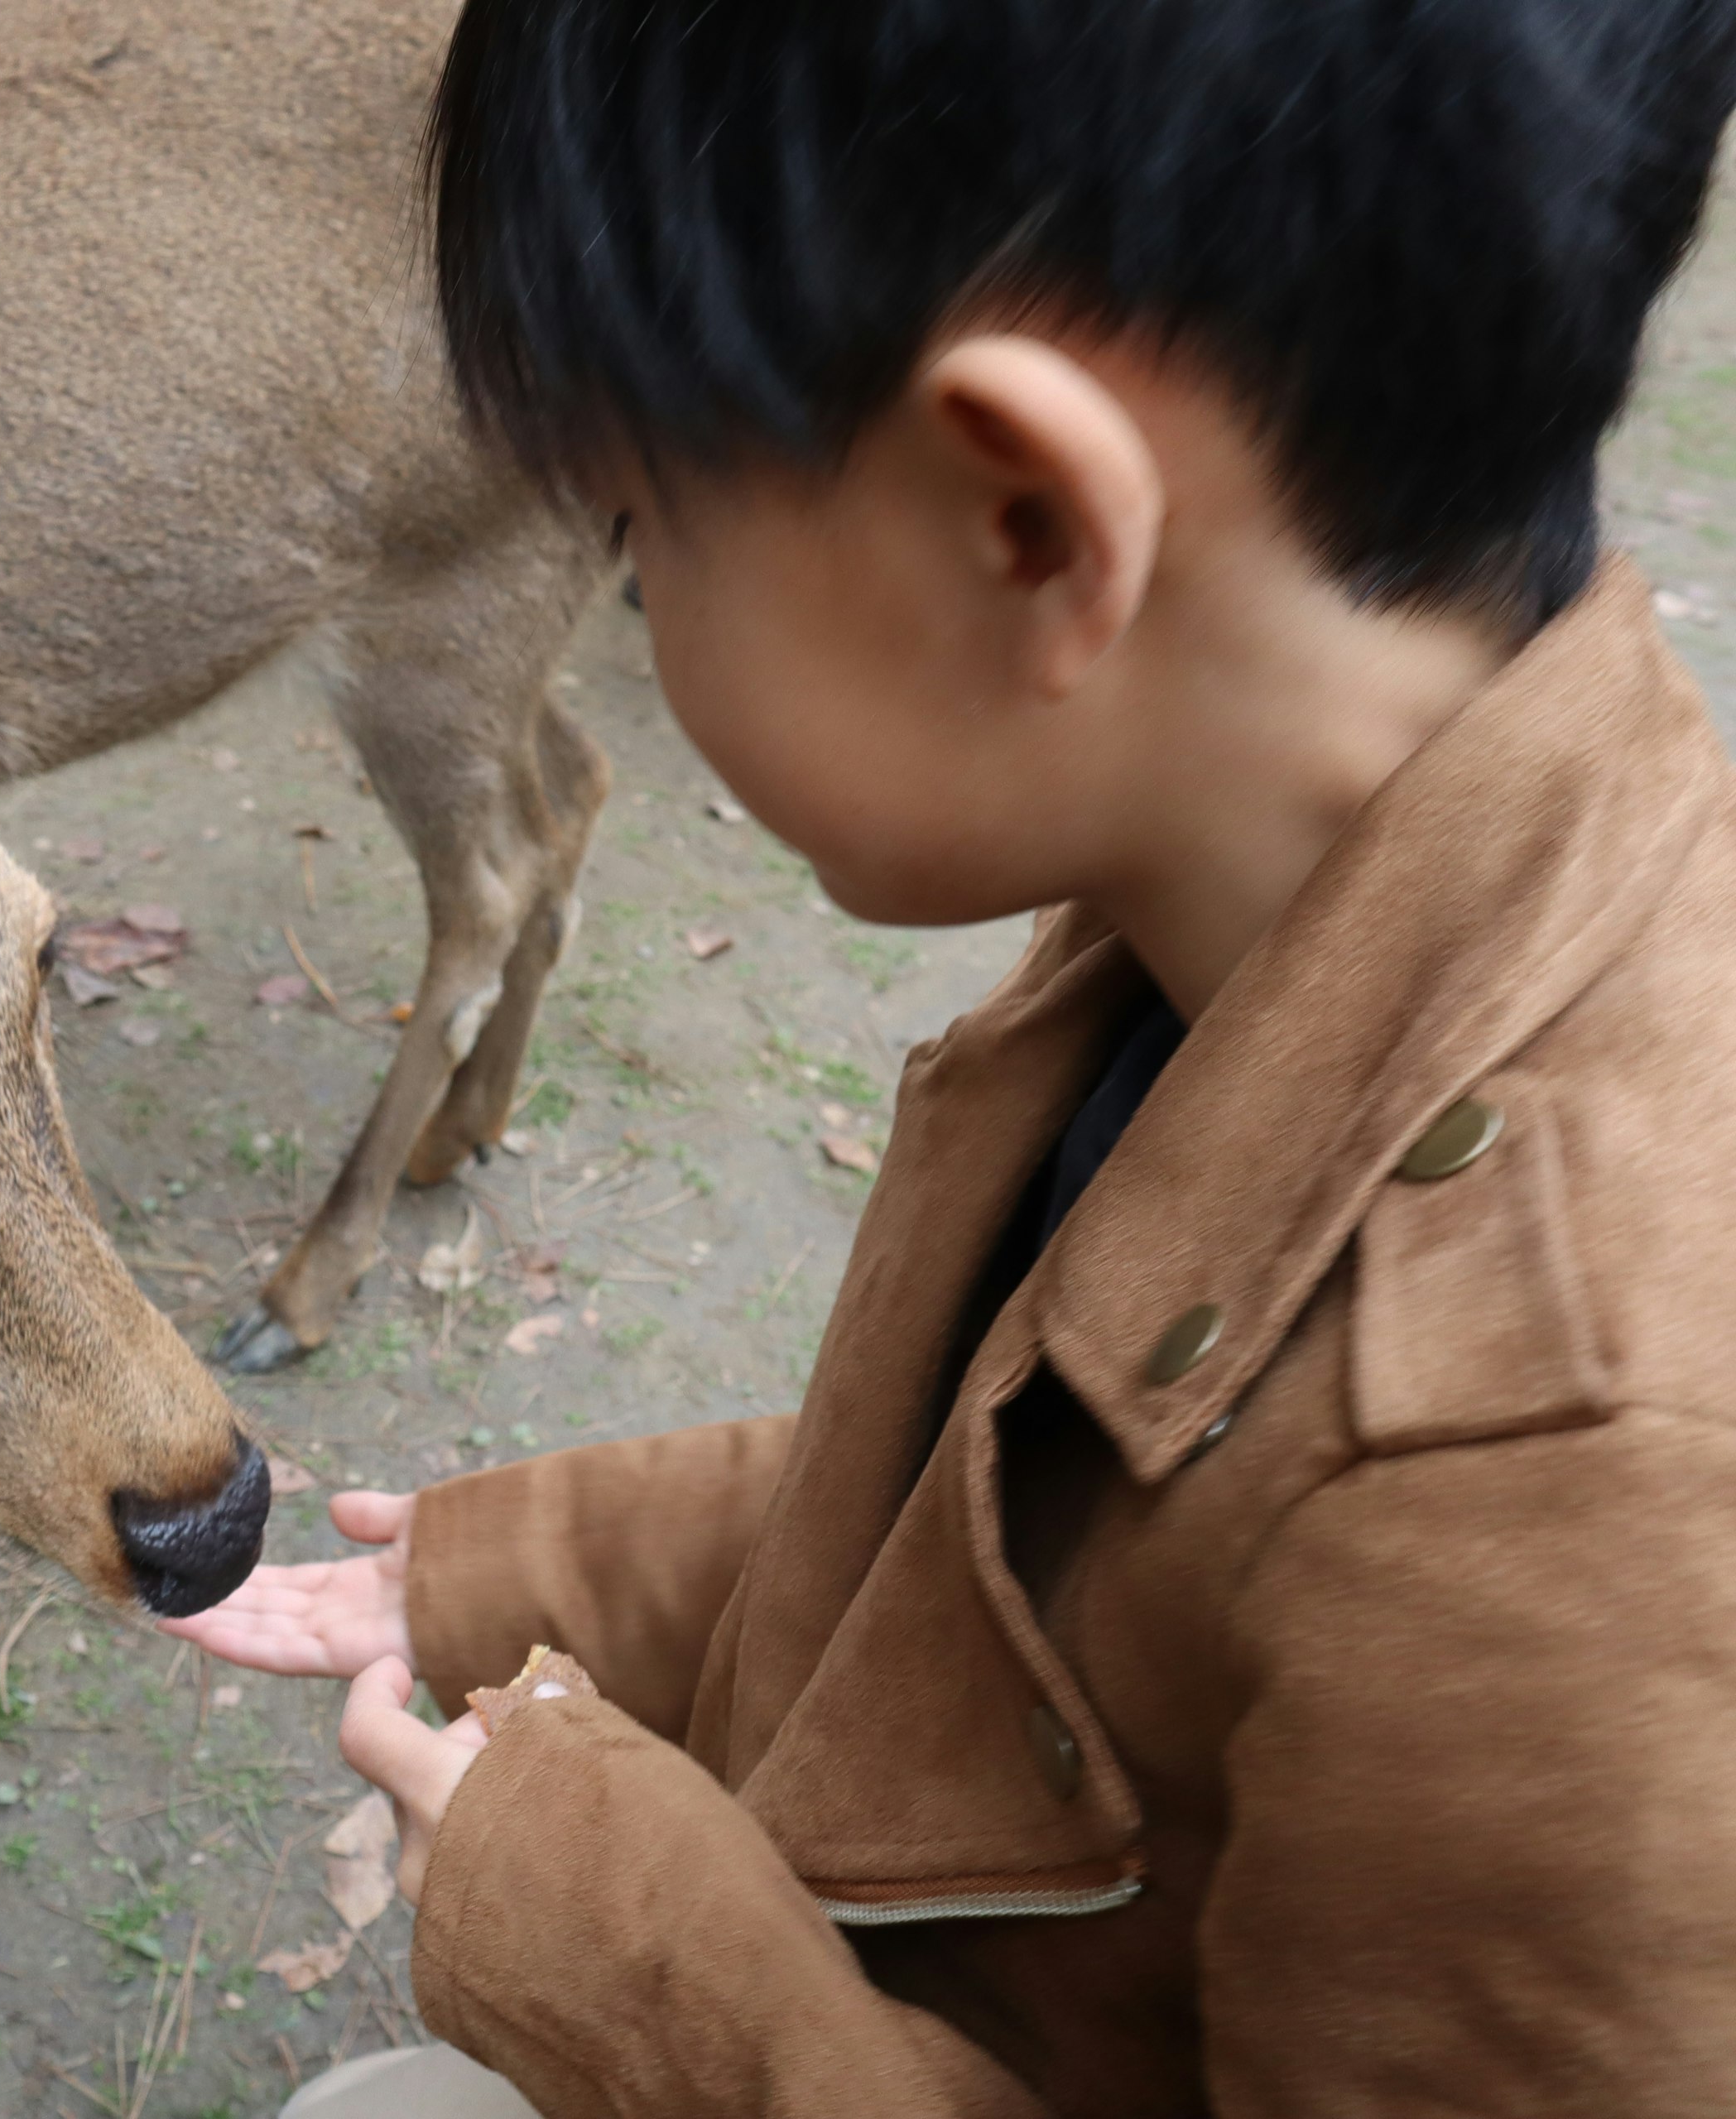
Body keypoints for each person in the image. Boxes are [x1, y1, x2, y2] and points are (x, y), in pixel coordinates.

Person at [169, 2, 1736, 2112]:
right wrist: (507, 1571)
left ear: (1025, 527)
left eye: (641, 535)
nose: (642, 608)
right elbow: (1030, 1524)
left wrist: (627, 1959)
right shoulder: (1256, 904)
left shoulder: (1558, 1511)